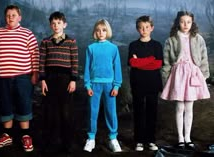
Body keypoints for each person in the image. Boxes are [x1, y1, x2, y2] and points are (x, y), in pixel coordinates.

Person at [0, 5, 39, 152]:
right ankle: (7, 135)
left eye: (14, 15)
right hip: (1, 77)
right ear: (5, 17)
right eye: (8, 15)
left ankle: (25, 135)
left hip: (23, 77)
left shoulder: (27, 34)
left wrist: (35, 73)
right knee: (5, 104)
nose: (10, 17)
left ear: (20, 17)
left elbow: (35, 54)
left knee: (23, 103)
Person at [160, 11, 210, 150]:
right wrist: (166, 77)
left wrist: (203, 75)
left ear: (192, 22)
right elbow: (166, 61)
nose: (185, 24)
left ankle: (188, 137)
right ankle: (180, 138)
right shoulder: (171, 39)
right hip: (178, 75)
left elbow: (204, 57)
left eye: (188, 22)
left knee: (189, 107)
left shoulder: (198, 38)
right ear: (178, 22)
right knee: (180, 106)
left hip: (193, 73)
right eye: (182, 21)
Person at [39, 11, 78, 153]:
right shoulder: (45, 42)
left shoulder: (71, 42)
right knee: (51, 112)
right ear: (50, 25)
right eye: (53, 23)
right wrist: (42, 80)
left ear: (64, 24)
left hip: (65, 80)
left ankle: (66, 143)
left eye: (59, 23)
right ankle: (51, 142)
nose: (56, 26)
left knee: (66, 112)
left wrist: (73, 80)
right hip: (50, 80)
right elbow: (41, 62)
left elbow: (74, 62)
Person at [83, 19, 122, 153]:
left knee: (111, 112)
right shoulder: (90, 48)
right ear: (95, 32)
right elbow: (87, 69)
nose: (101, 33)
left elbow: (117, 68)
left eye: (104, 30)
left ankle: (113, 138)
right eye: (98, 30)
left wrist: (116, 86)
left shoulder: (113, 48)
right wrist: (88, 85)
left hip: (109, 85)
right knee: (92, 112)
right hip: (94, 84)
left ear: (108, 31)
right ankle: (91, 138)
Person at [128, 15, 163, 151]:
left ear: (152, 28)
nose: (144, 30)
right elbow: (132, 63)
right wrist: (150, 59)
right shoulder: (133, 45)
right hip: (137, 83)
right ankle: (139, 141)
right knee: (138, 112)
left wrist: (140, 62)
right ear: (138, 29)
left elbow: (158, 64)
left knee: (152, 112)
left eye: (147, 27)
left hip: (153, 83)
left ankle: (151, 140)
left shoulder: (157, 45)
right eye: (141, 27)